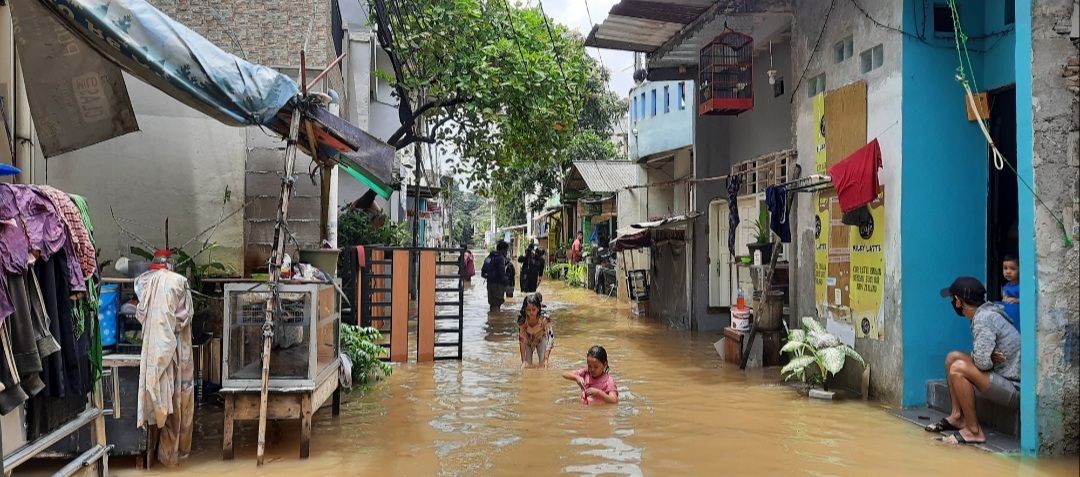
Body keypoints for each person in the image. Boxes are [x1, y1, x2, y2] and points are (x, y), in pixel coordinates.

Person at [925, 277, 1020, 445]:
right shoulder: (984, 312)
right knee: (952, 357)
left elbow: (982, 363)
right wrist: (988, 356)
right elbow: (983, 359)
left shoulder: (983, 319)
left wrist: (986, 357)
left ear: (958, 301)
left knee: (958, 368)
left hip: (1014, 388)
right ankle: (957, 416)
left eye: (953, 299)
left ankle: (974, 431)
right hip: (1002, 375)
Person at [518, 293, 553, 368]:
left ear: (538, 308)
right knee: (527, 366)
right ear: (525, 310)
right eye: (528, 310)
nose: (531, 313)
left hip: (541, 339)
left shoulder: (545, 319)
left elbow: (551, 338)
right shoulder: (522, 321)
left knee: (543, 365)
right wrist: (523, 361)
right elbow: (522, 341)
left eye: (534, 310)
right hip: (528, 340)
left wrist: (546, 358)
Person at [481, 241, 510, 311]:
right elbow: (501, 273)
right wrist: (507, 281)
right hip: (498, 285)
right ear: (502, 249)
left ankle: (492, 319)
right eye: (506, 250)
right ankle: (496, 320)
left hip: (490, 283)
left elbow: (483, 270)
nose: (506, 252)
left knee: (492, 304)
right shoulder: (500, 258)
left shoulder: (490, 256)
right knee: (497, 304)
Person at [999, 255, 1020, 332]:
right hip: (1007, 316)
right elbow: (1004, 298)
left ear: (1020, 270)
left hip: (1017, 315)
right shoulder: (1005, 286)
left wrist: (1017, 300)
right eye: (1005, 268)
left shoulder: (1021, 286)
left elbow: (1026, 299)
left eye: (1013, 269)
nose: (1008, 271)